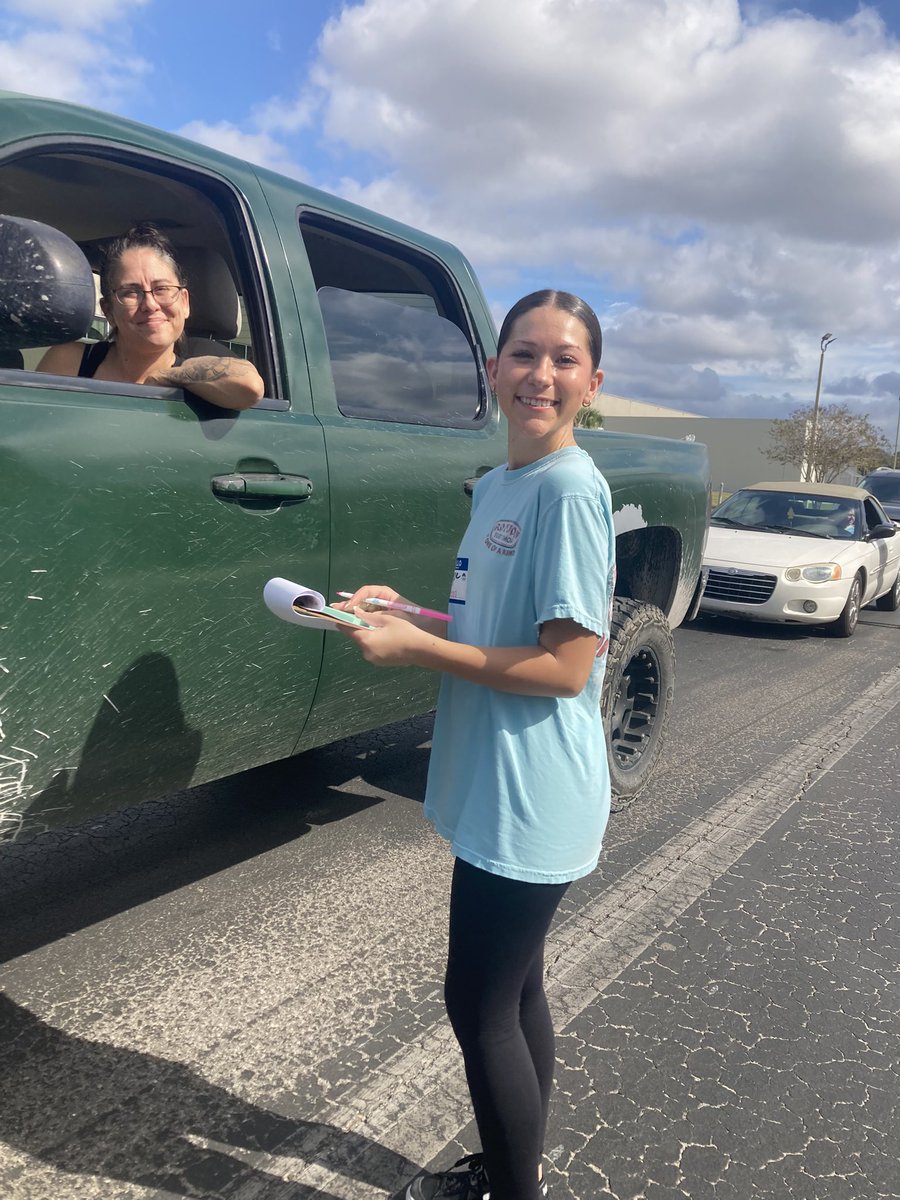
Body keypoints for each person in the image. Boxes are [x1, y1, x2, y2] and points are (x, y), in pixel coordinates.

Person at [337, 290, 617, 1200]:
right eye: (524, 354)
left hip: (532, 790)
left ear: (592, 383)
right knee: (516, 990)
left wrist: (417, 651)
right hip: (497, 779)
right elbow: (494, 624)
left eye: (564, 359)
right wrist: (410, 612)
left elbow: (566, 666)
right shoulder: (500, 484)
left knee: (480, 1004)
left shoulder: (569, 491)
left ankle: (510, 1188)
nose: (541, 375)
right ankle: (512, 1170)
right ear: (494, 370)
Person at [36, 223, 264, 410]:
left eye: (162, 289)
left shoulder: (204, 383)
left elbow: (251, 386)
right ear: (108, 311)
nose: (150, 304)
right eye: (130, 292)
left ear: (185, 303)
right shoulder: (72, 361)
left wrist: (162, 377)